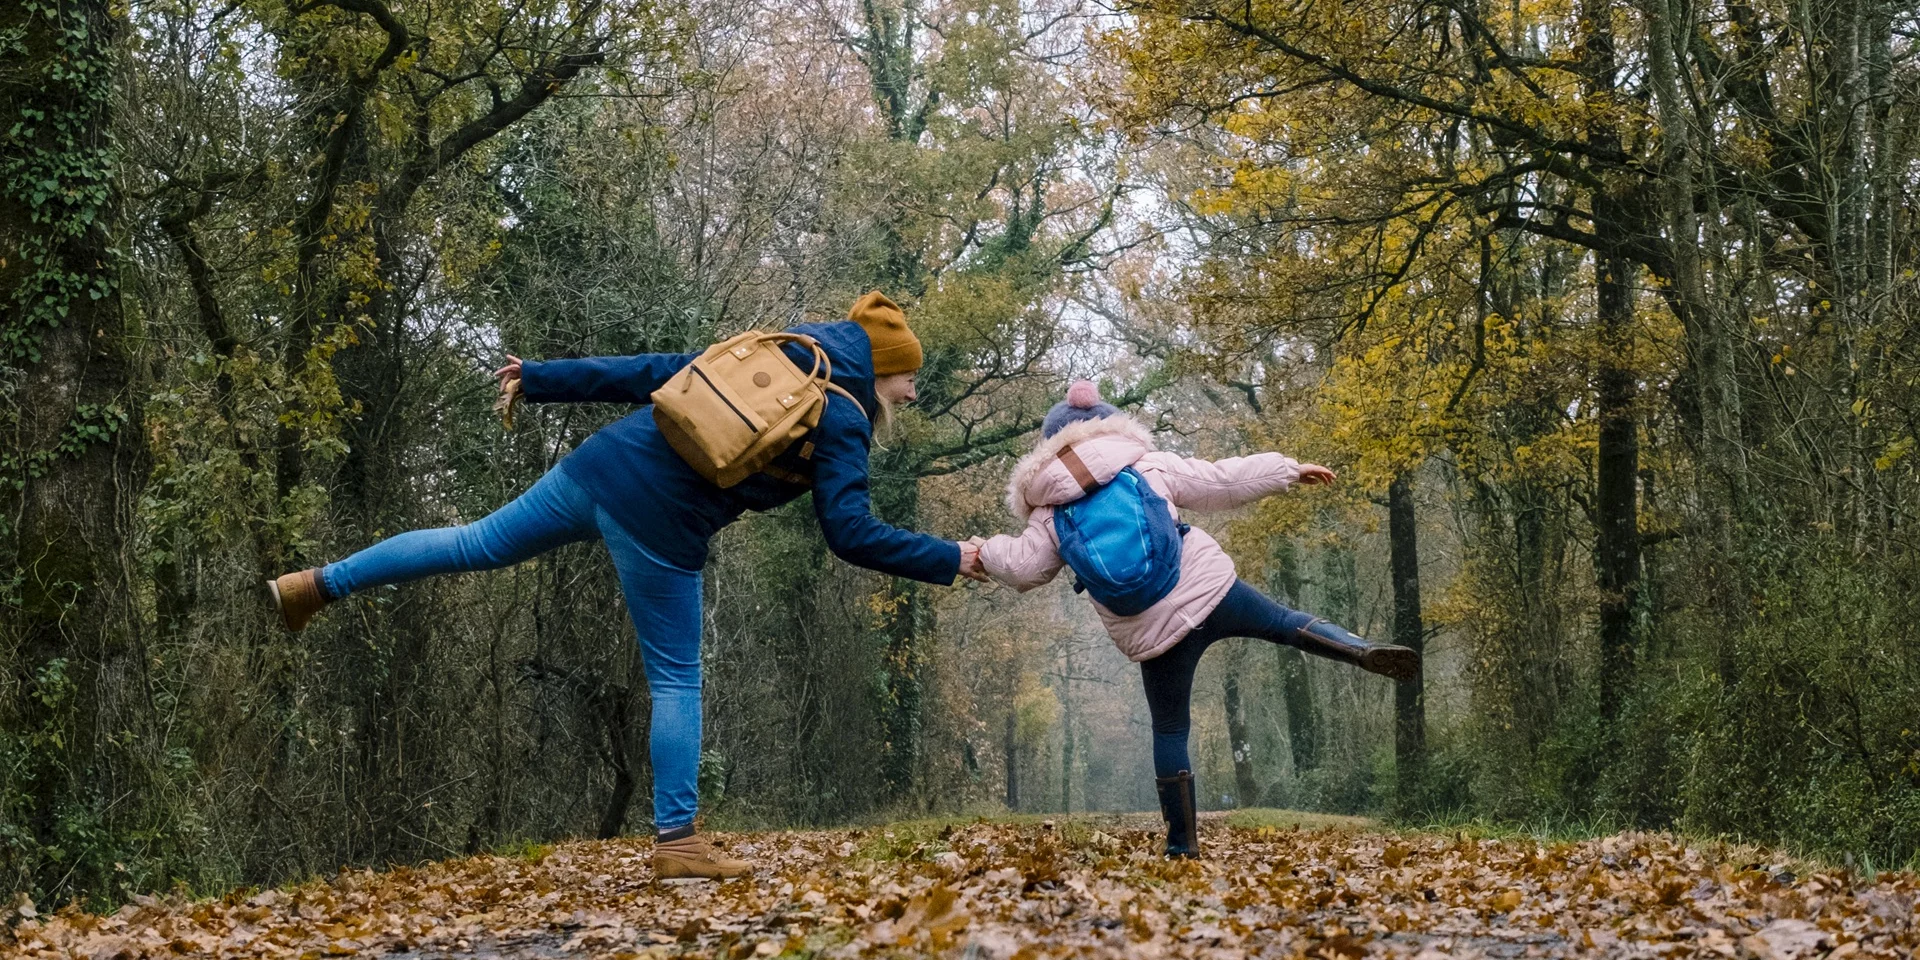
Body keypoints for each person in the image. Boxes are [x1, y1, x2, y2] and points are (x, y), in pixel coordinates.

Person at [267, 292, 988, 879]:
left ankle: (317, 585)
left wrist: (543, 377)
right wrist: (950, 557)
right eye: (907, 375)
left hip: (599, 467)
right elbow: (850, 531)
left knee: (473, 541)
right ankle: (677, 841)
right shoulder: (845, 413)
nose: (913, 388)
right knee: (676, 678)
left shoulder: (780, 349)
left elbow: (662, 370)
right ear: (882, 371)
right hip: (659, 524)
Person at [973, 381, 1417, 858]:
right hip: (1213, 590)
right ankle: (1357, 648)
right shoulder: (1147, 464)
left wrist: (982, 552)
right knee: (1284, 621)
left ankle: (1183, 847)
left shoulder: (1049, 512)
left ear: (1049, 447)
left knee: (1170, 731)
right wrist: (1287, 470)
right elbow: (1223, 481)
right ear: (1108, 427)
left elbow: (1022, 568)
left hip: (1154, 633)